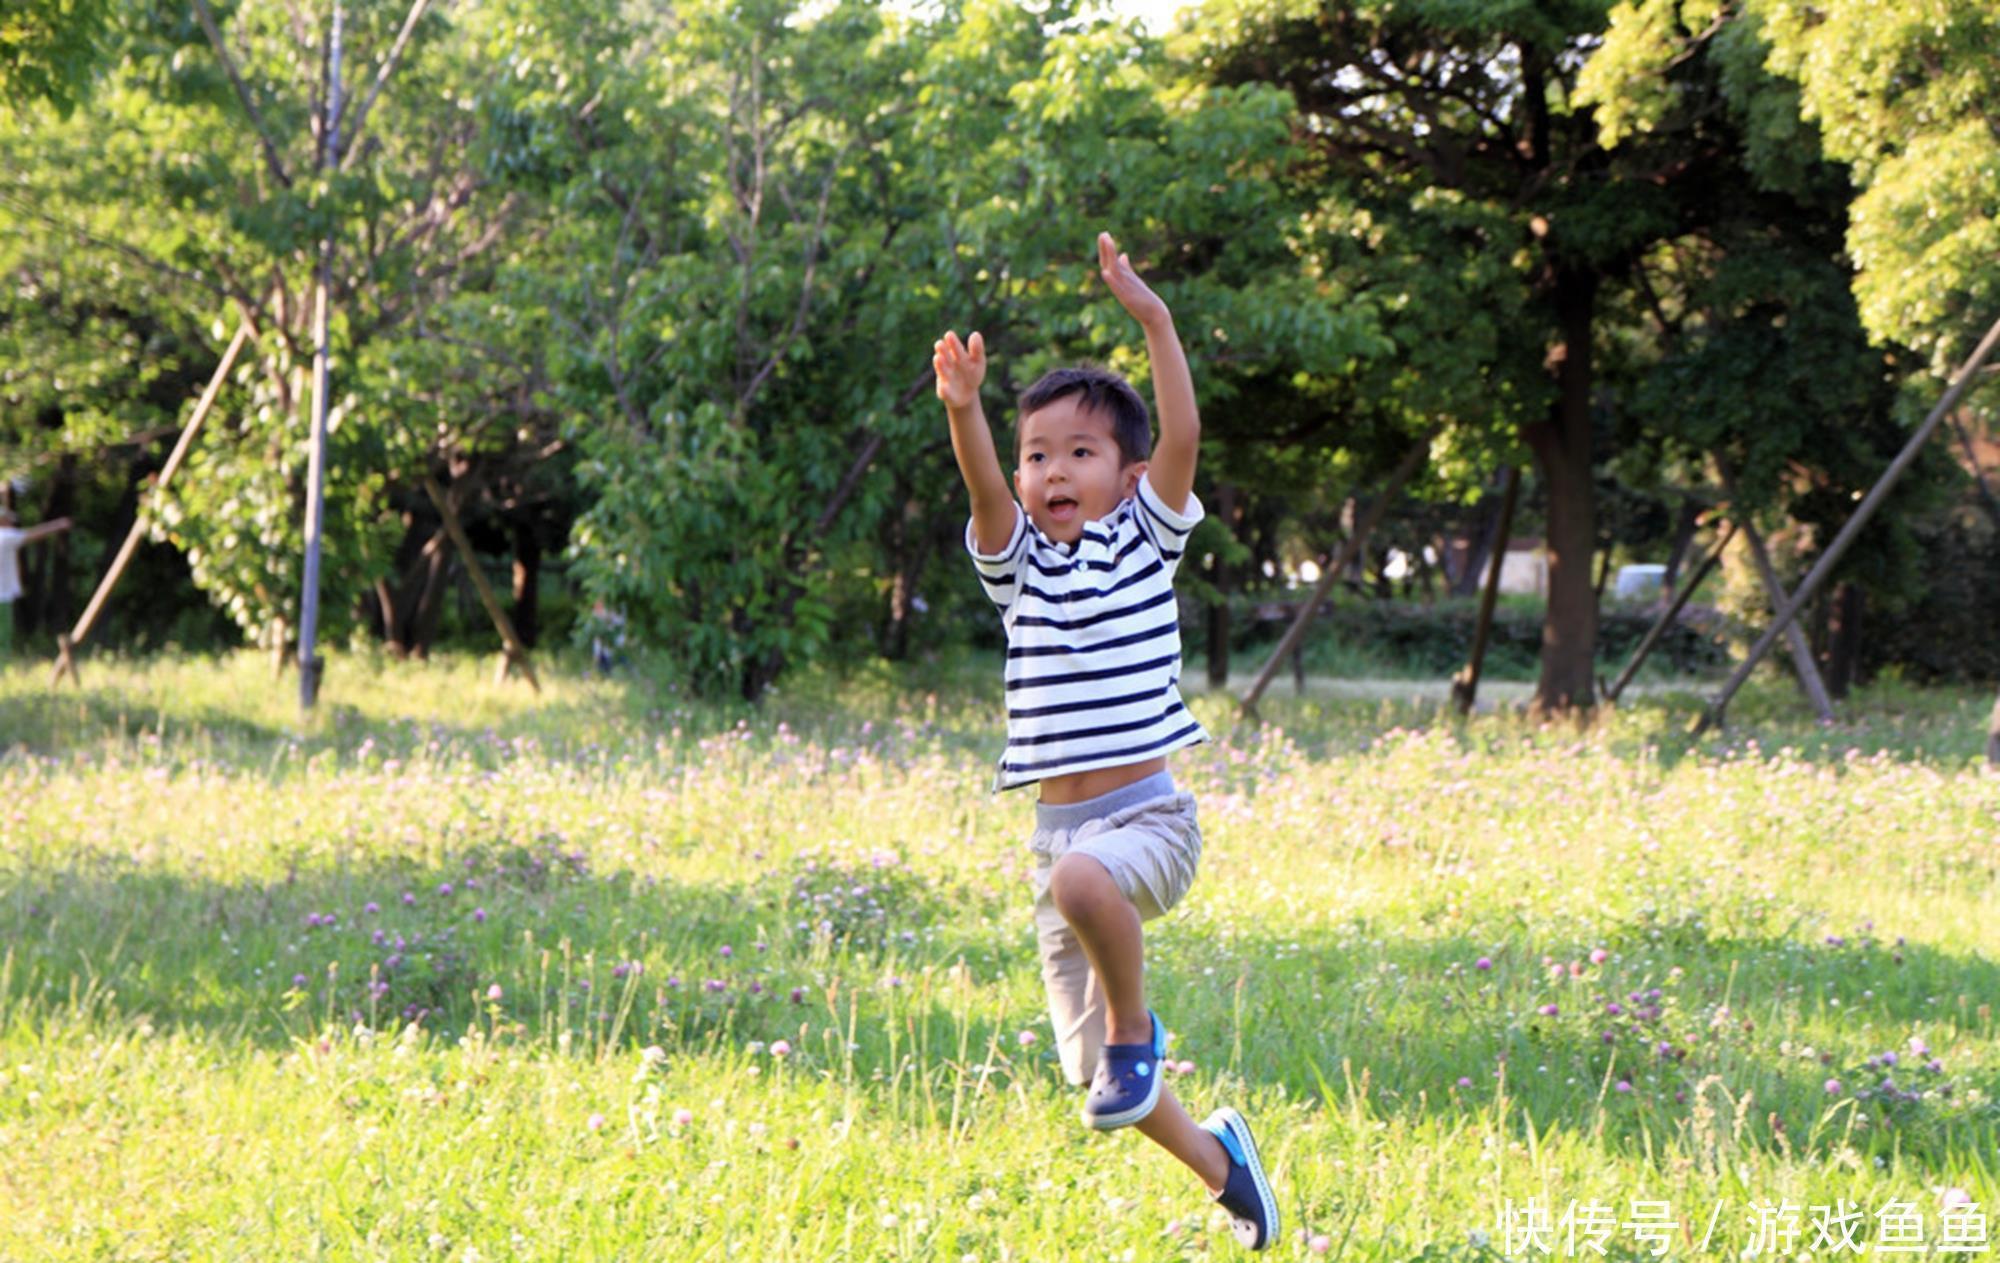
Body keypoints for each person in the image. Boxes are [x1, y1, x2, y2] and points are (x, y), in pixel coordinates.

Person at [933, 231, 1279, 1250]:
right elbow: (985, 495)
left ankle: (1137, 1030)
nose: (1050, 471)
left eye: (1078, 453)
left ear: (1126, 479)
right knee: (1100, 1091)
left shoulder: (1145, 536)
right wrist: (965, 415)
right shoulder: (1016, 568)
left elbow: (1180, 433)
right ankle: (1227, 1169)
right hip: (1058, 845)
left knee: (1091, 896)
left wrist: (1153, 318)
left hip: (1146, 824)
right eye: (1037, 454)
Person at [0, 507, 72, 659]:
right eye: (9, 520)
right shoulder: (5, 536)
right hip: (2, 596)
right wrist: (59, 524)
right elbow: (33, 534)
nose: (13, 523)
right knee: (3, 638)